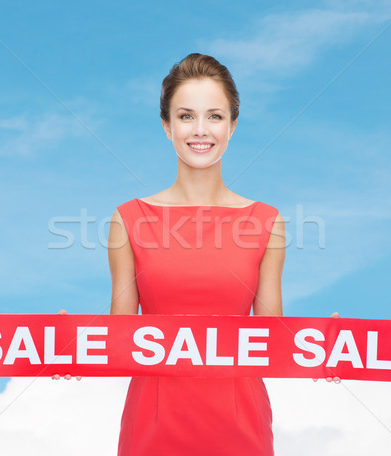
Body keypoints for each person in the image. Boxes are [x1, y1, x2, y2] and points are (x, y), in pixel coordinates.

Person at [107, 53, 285, 456]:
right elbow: (120, 340)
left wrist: (330, 346)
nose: (200, 130)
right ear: (167, 127)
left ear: (233, 126)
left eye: (215, 117)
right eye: (186, 116)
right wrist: (65, 346)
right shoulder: (128, 220)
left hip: (242, 432)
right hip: (151, 433)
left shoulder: (267, 223)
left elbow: (271, 342)